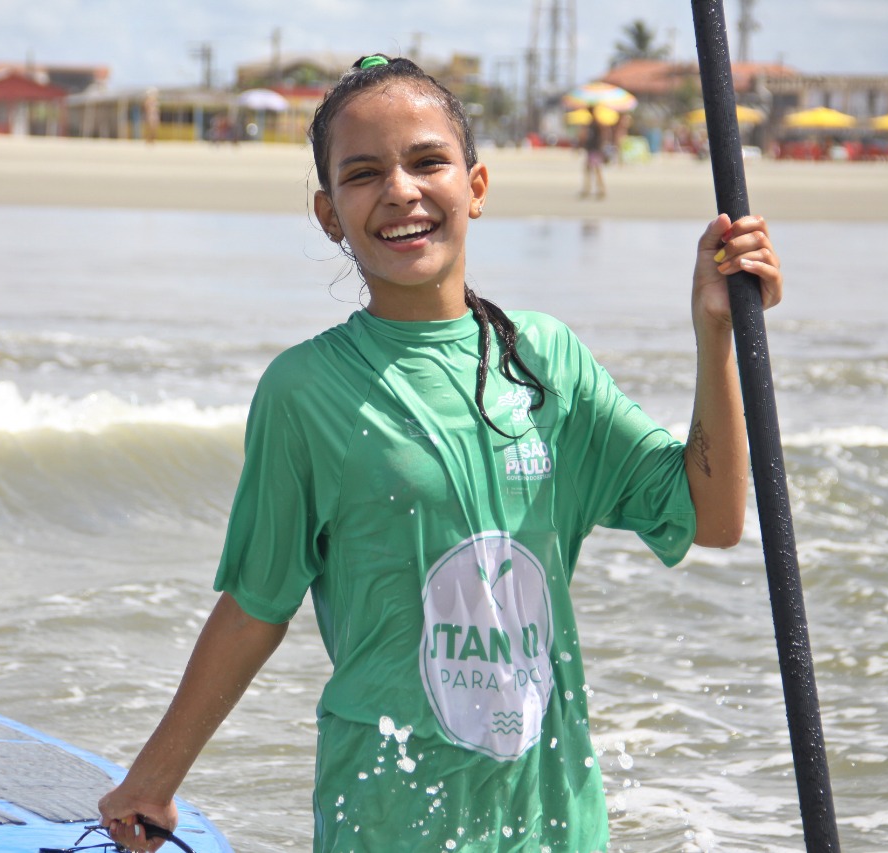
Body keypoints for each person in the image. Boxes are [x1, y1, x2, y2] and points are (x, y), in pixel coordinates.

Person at [98, 54, 782, 853]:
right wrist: (155, 778)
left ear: (477, 186)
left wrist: (715, 333)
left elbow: (713, 515)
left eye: (428, 161)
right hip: (385, 815)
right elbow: (257, 605)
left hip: (552, 819)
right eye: (363, 174)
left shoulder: (544, 362)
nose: (401, 191)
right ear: (329, 214)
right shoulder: (305, 390)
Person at [579, 105, 608, 198]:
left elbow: (602, 136)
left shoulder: (596, 123)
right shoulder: (591, 123)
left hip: (595, 149)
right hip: (592, 149)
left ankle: (600, 189)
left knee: (595, 169)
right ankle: (589, 188)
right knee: (590, 169)